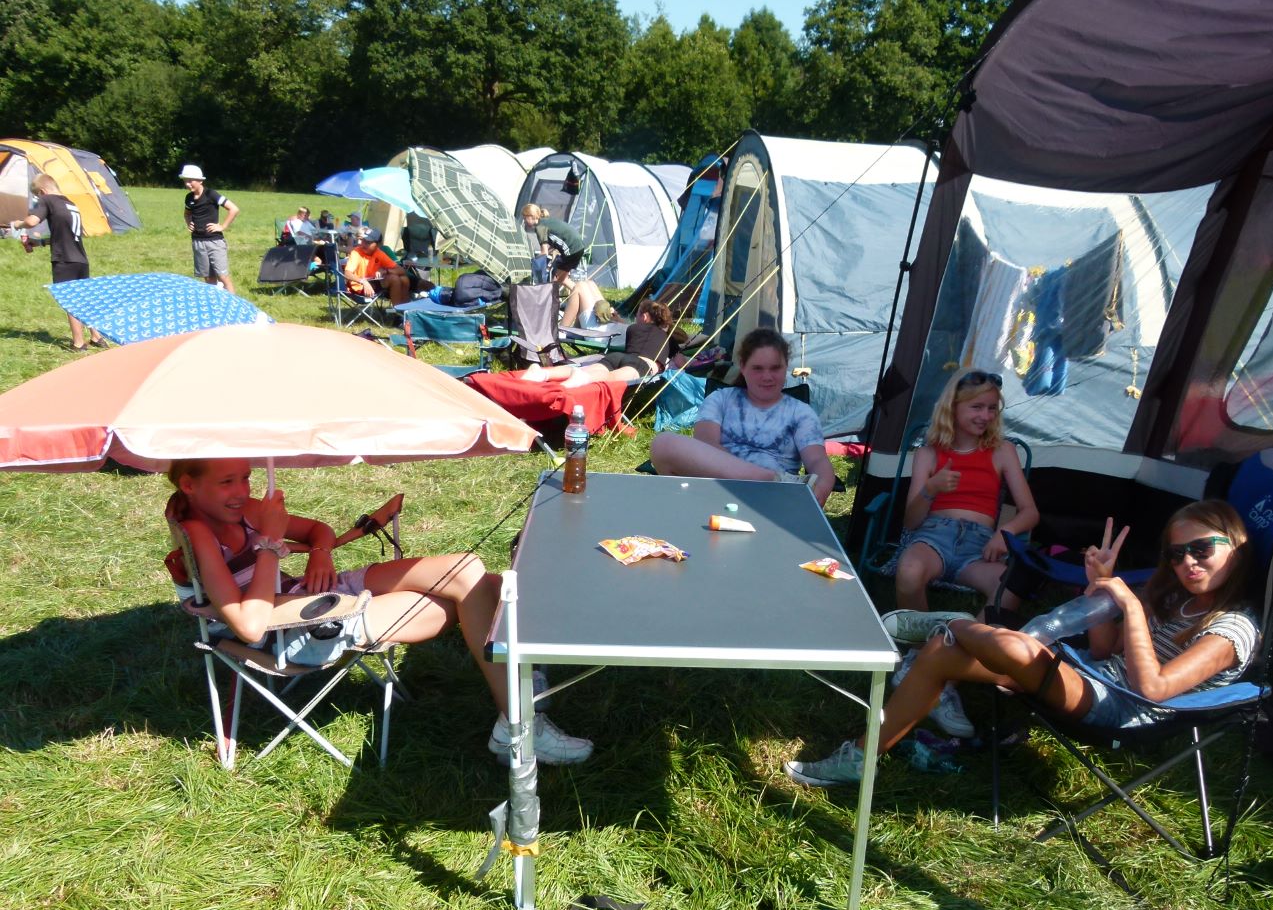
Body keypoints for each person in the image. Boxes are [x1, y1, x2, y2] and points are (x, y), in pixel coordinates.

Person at [784, 500, 1260, 786]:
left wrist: (1132, 607)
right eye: (1177, 554)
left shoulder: (1232, 629)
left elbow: (1152, 689)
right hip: (1093, 675)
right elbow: (1104, 651)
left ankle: (953, 622)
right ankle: (861, 758)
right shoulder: (1174, 598)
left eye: (1202, 549)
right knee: (941, 653)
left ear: (1236, 549)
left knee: (1018, 649)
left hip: (1125, 707)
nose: (1188, 562)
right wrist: (1100, 590)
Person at [165, 459, 592, 764]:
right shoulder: (199, 535)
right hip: (293, 629)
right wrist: (270, 545)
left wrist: (319, 553)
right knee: (476, 595)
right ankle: (519, 727)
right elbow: (249, 623)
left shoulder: (244, 509)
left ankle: (516, 700)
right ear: (189, 485)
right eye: (227, 482)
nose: (242, 491)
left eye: (246, 477)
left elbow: (319, 530)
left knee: (471, 573)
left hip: (311, 592)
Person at [895, 369, 1038, 614]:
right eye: (977, 407)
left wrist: (1005, 532)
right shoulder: (928, 454)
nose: (986, 416)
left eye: (992, 408)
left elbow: (1030, 512)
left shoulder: (1002, 451)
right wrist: (931, 488)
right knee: (909, 570)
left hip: (980, 547)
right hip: (933, 539)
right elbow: (911, 522)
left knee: (1013, 585)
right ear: (952, 406)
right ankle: (920, 637)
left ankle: (967, 637)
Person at [651, 328, 837, 506]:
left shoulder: (800, 412)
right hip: (716, 488)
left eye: (775, 368)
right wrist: (755, 476)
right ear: (743, 366)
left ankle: (779, 482)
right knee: (663, 443)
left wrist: (822, 487)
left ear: (786, 367)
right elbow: (706, 446)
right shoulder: (721, 399)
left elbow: (817, 460)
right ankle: (776, 479)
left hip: (773, 499)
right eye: (758, 368)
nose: (767, 377)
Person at [9, 174, 101, 350]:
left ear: (43, 191)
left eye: (37, 196)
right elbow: (64, 234)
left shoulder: (47, 200)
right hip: (80, 259)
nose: (38, 200)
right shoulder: (70, 203)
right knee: (84, 298)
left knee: (69, 299)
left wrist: (18, 224)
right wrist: (39, 242)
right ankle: (96, 337)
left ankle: (78, 343)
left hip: (64, 259)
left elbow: (32, 221)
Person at [522, 299, 682, 387]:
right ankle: (582, 380)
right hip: (643, 365)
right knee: (610, 378)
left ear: (645, 317)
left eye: (638, 314)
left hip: (617, 357)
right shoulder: (667, 337)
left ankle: (543, 373)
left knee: (586, 368)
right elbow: (681, 361)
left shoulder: (633, 328)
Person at [180, 164, 239, 294]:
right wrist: (189, 223)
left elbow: (233, 209)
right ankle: (214, 301)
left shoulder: (211, 194)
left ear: (200, 181)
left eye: (190, 180)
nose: (187, 184)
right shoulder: (189, 198)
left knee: (223, 277)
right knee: (208, 277)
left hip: (214, 242)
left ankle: (233, 302)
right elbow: (187, 213)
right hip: (197, 242)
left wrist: (222, 226)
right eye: (185, 181)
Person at [521, 203, 587, 287]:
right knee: (562, 280)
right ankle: (580, 292)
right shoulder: (546, 221)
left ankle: (551, 295)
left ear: (531, 216)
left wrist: (533, 261)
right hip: (578, 247)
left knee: (554, 283)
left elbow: (544, 253)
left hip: (571, 249)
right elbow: (555, 242)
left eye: (525, 218)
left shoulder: (540, 227)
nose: (524, 221)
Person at [343, 228, 411, 305]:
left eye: (368, 242)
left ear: (378, 245)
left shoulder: (379, 253)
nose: (363, 244)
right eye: (363, 240)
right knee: (394, 278)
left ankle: (405, 309)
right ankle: (398, 309)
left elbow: (401, 270)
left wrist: (385, 271)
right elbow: (347, 274)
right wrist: (363, 282)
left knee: (404, 279)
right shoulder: (356, 252)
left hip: (373, 282)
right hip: (358, 285)